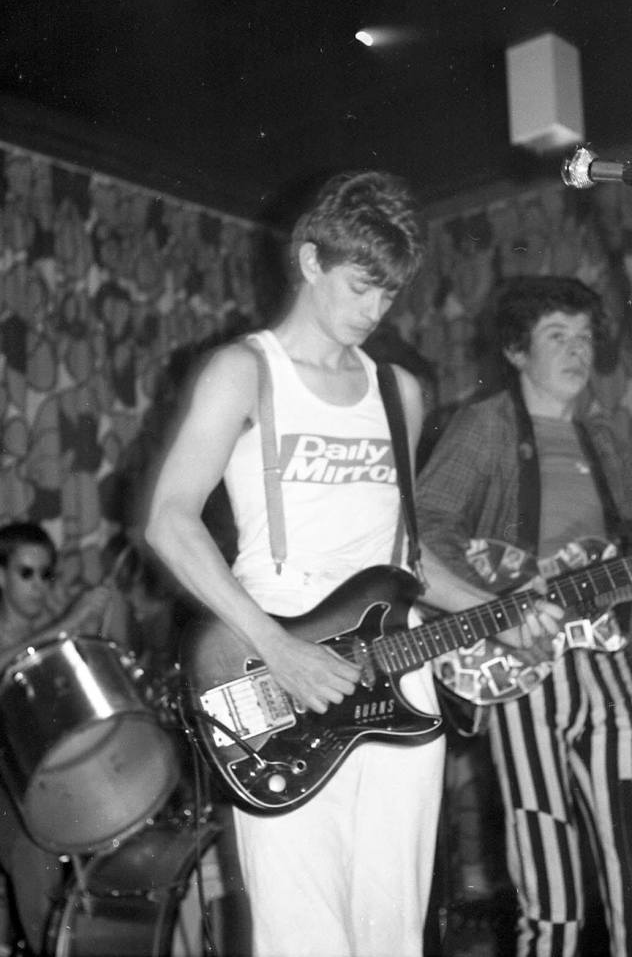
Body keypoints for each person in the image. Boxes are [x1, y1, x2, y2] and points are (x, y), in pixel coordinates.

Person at [145, 169, 544, 957]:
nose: (375, 310)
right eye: (361, 286)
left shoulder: (399, 391)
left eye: (389, 294)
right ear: (310, 260)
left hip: (400, 674)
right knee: (301, 932)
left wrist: (494, 614)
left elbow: (406, 554)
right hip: (271, 664)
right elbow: (169, 520)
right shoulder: (244, 370)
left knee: (393, 928)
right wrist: (279, 648)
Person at [415, 274, 632, 957]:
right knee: (550, 878)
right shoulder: (486, 424)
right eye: (556, 336)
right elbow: (424, 527)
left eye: (585, 337)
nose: (577, 350)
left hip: (611, 661)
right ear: (515, 351)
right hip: (522, 665)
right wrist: (501, 600)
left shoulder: (606, 435)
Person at [0, 521, 132, 955]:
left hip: (48, 776)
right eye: (26, 573)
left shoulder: (51, 629)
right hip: (6, 787)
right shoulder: (45, 631)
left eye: (46, 574)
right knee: (33, 847)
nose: (39, 586)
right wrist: (67, 624)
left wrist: (100, 623)